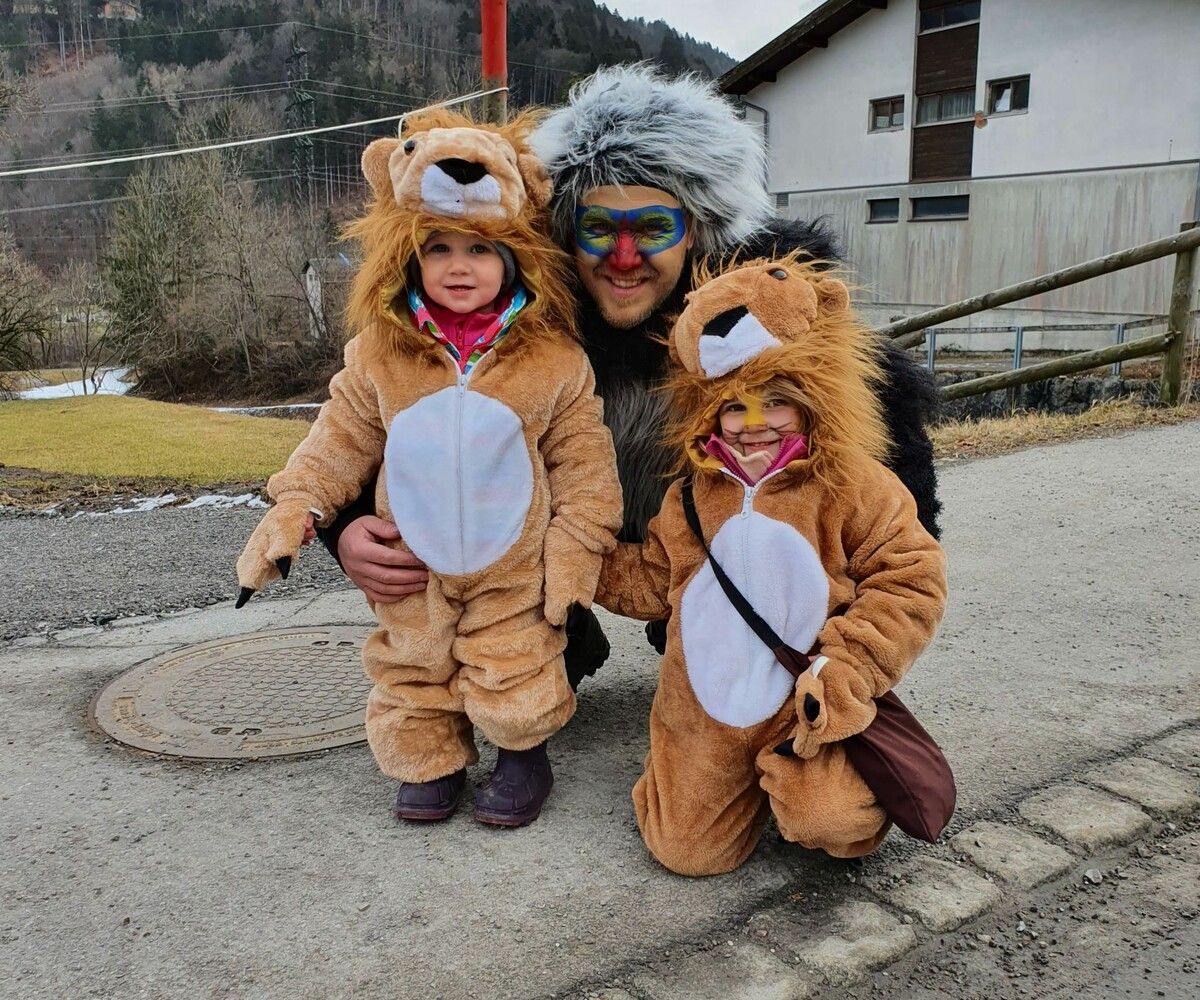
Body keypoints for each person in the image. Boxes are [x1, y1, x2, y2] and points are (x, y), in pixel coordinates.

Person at [319, 64, 942, 689]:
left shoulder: (761, 307)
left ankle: (725, 618)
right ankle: (549, 628)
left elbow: (887, 462)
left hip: (707, 538)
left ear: (696, 228)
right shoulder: (521, 304)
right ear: (567, 231)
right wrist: (347, 530)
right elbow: (387, 411)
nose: (622, 259)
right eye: (598, 229)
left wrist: (859, 634)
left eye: (651, 228)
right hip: (553, 544)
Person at [237, 111, 622, 827]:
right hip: (410, 554)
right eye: (438, 247)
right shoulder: (381, 354)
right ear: (410, 257)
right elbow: (337, 439)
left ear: (514, 257)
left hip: (515, 561)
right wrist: (298, 506)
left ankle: (520, 754)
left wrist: (576, 546)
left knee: (515, 656)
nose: (458, 265)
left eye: (479, 247)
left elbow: (584, 462)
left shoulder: (553, 360)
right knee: (413, 663)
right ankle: (429, 758)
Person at [595, 256, 948, 875]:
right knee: (686, 854)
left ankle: (800, 784)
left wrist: (851, 668)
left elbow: (910, 578)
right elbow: (654, 580)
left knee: (832, 822)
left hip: (806, 703)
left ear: (812, 400)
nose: (754, 424)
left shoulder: (854, 485)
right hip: (705, 711)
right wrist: (580, 560)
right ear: (710, 412)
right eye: (735, 406)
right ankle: (696, 770)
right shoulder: (689, 497)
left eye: (776, 401)